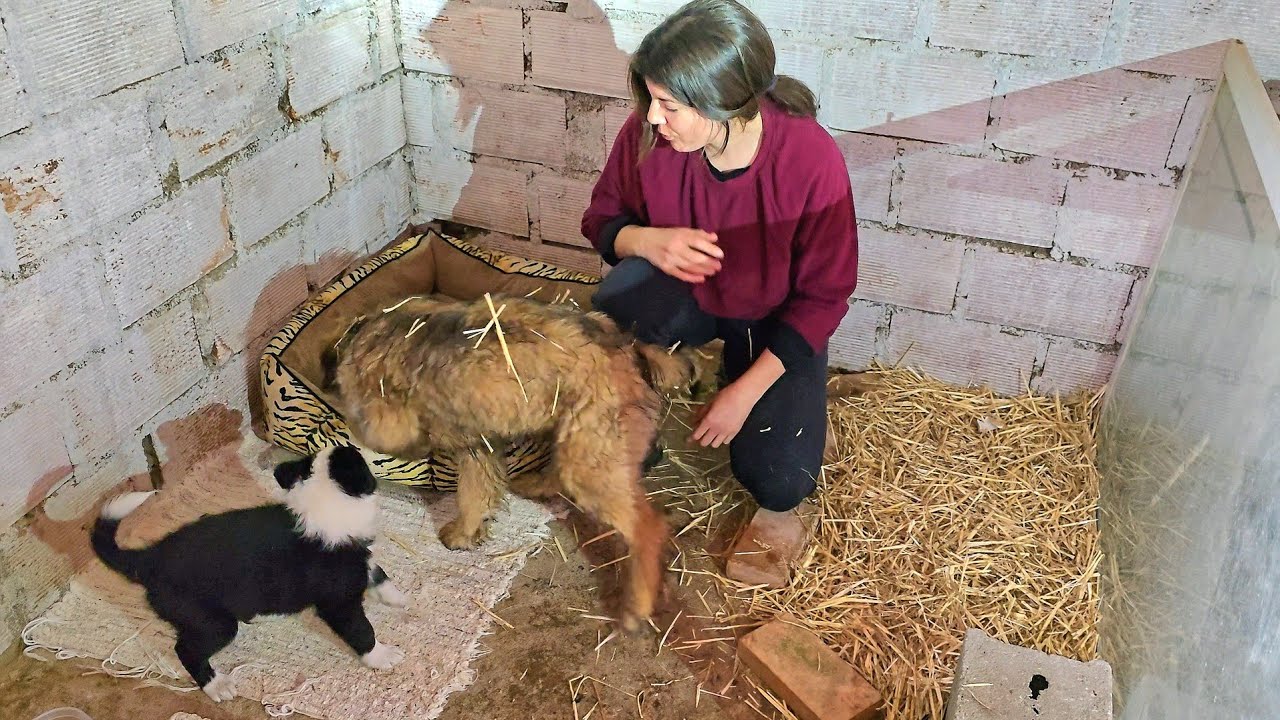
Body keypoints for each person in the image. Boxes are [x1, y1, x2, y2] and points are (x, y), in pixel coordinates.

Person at [580, 0, 859, 553]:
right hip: (691, 291)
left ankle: (788, 412)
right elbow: (601, 218)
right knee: (617, 303)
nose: (654, 118)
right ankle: (639, 420)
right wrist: (645, 240)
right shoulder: (651, 136)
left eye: (668, 105)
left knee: (779, 481)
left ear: (722, 103)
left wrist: (743, 393)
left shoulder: (810, 157)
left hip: (771, 319)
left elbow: (826, 296)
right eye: (652, 100)